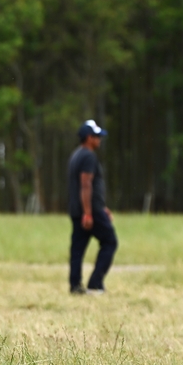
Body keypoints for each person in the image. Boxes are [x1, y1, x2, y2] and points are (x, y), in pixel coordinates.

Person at [67, 119, 117, 295]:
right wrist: (89, 213)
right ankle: (95, 283)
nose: (99, 139)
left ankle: (75, 285)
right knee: (110, 241)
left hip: (77, 210)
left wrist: (102, 206)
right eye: (96, 136)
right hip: (90, 212)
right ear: (88, 138)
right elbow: (86, 184)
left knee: (77, 249)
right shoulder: (88, 156)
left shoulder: (76, 155)